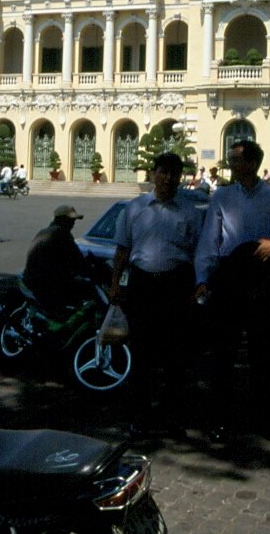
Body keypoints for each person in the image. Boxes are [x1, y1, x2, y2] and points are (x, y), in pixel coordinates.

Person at [194, 139, 270, 444]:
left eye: (236, 160)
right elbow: (209, 241)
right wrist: (202, 278)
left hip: (261, 279)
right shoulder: (222, 197)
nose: (231, 165)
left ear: (252, 163)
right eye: (230, 160)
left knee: (260, 355)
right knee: (224, 355)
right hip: (229, 278)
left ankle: (265, 419)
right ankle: (222, 421)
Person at [110, 152, 203, 440]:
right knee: (142, 355)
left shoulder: (190, 212)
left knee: (176, 355)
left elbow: (199, 253)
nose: (168, 178)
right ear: (154, 174)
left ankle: (172, 417)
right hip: (142, 286)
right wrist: (114, 284)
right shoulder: (134, 208)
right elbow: (123, 249)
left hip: (177, 286)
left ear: (180, 178)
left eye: (174, 173)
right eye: (163, 172)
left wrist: (198, 286)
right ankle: (141, 417)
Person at [22, 205, 88, 316]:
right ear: (62, 219)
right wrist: (90, 271)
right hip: (45, 282)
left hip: (33, 278)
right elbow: (77, 260)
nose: (73, 223)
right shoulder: (61, 234)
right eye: (71, 220)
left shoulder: (45, 231)